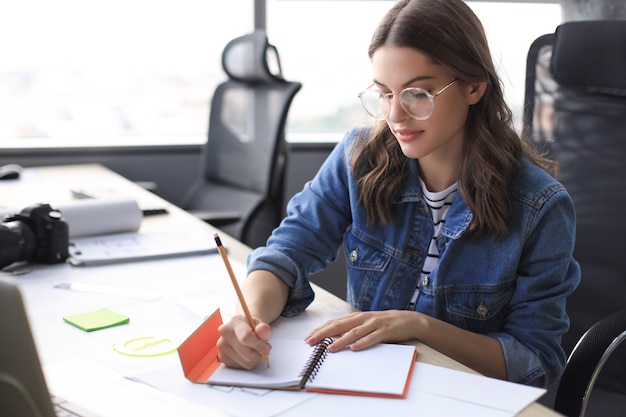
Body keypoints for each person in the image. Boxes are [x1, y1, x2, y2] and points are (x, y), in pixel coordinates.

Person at [216, 0, 580, 388]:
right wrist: (248, 318)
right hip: (365, 385)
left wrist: (420, 328)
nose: (395, 116)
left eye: (417, 94)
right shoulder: (359, 158)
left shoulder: (540, 207)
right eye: (385, 94)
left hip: (458, 399)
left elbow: (533, 360)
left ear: (474, 87)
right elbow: (287, 253)